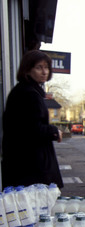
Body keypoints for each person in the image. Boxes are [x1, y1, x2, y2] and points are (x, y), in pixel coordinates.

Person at [2, 50, 63, 189]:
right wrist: (54, 131)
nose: (44, 72)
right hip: (30, 166)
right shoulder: (28, 94)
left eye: (46, 67)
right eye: (39, 67)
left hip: (23, 164)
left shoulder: (24, 91)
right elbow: (32, 129)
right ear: (27, 70)